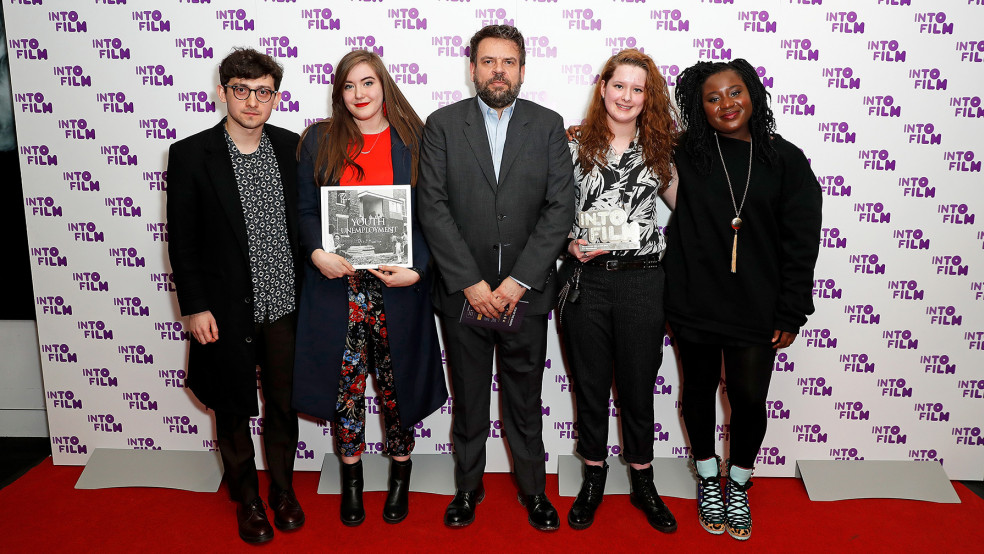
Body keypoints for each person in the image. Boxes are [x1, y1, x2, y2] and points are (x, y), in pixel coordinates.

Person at [417, 25, 575, 531]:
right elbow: (433, 206)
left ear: (523, 70)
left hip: (524, 296)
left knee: (525, 399)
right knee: (469, 398)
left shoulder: (548, 125)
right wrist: (471, 283)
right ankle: (468, 488)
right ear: (472, 68)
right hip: (465, 294)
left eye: (508, 62)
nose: (498, 71)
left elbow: (559, 208)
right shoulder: (442, 125)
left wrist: (517, 283)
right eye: (488, 61)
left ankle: (533, 490)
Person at [665, 59, 822, 540]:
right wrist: (580, 131)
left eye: (735, 93)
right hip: (693, 297)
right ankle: (707, 475)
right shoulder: (686, 152)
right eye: (712, 98)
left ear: (753, 95)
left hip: (757, 304)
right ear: (700, 107)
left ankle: (739, 481)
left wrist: (792, 309)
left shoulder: (786, 160)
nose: (726, 105)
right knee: (697, 390)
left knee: (749, 398)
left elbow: (802, 241)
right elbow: (627, 139)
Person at [291, 50, 447, 527]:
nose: (359, 94)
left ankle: (401, 474)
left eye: (368, 83)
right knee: (346, 390)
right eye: (349, 86)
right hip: (338, 290)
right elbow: (304, 210)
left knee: (397, 389)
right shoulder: (318, 139)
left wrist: (419, 268)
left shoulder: (416, 140)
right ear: (339, 92)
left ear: (384, 86)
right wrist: (318, 253)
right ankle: (353, 479)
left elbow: (434, 215)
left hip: (397, 289)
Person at [165, 47, 304, 544]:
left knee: (284, 404)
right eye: (241, 90)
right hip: (222, 311)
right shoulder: (189, 155)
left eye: (262, 92)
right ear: (223, 91)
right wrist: (195, 306)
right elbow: (181, 240)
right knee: (232, 405)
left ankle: (284, 490)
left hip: (286, 305)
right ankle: (247, 498)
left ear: (275, 98)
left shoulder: (294, 150)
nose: (251, 101)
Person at [560, 49, 678, 533]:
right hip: (587, 282)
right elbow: (551, 210)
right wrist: (568, 242)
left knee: (636, 385)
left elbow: (690, 210)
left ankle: (643, 480)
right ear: (603, 87)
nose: (626, 96)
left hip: (642, 283)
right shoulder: (571, 144)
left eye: (638, 89)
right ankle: (593, 476)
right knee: (589, 385)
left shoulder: (659, 149)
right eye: (619, 85)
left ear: (647, 97)